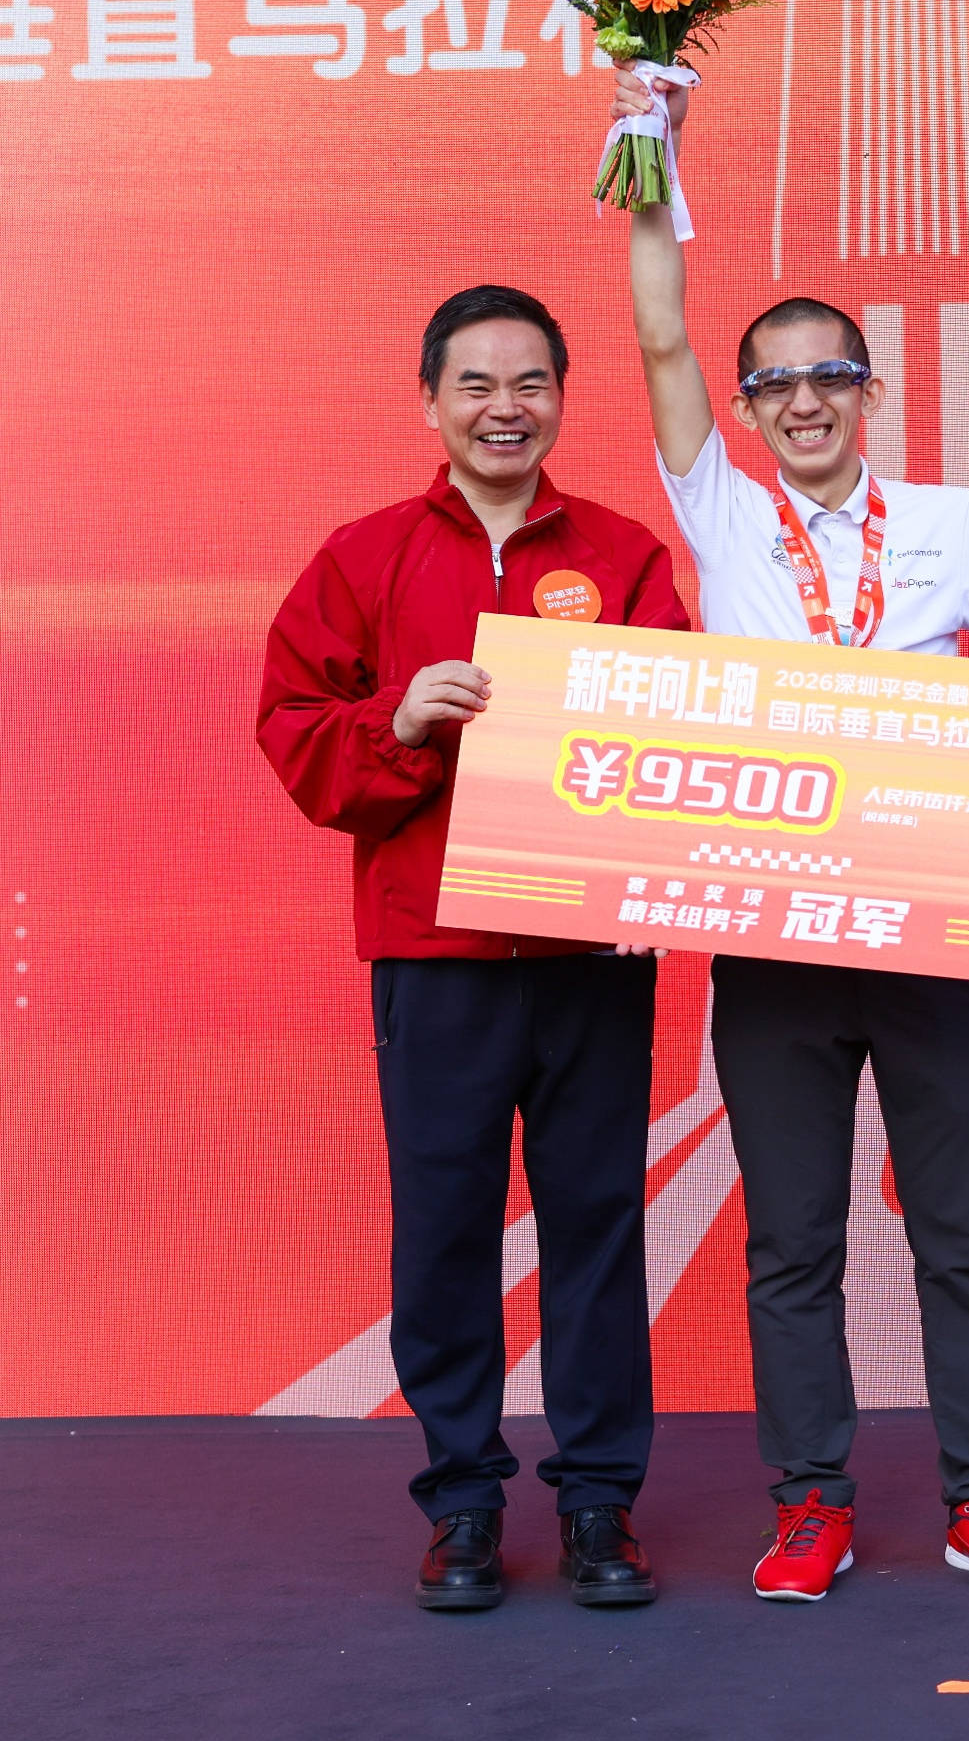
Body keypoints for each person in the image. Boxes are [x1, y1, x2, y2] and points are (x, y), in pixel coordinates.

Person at [606, 68, 969, 1602]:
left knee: (958, 1230)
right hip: (774, 938)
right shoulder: (724, 516)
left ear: (868, 392)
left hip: (934, 928)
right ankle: (809, 1504)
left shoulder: (951, 524)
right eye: (773, 383)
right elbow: (656, 332)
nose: (803, 401)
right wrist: (652, 142)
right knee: (792, 1240)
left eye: (829, 375)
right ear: (746, 408)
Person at [256, 284, 691, 1613]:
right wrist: (399, 721)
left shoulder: (623, 556)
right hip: (432, 955)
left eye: (531, 384)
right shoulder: (363, 557)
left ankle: (600, 1502)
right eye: (477, 385)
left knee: (596, 1228)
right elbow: (294, 735)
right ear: (432, 401)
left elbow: (682, 737)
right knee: (443, 1232)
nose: (506, 408)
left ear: (561, 399)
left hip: (589, 957)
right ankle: (460, 1502)